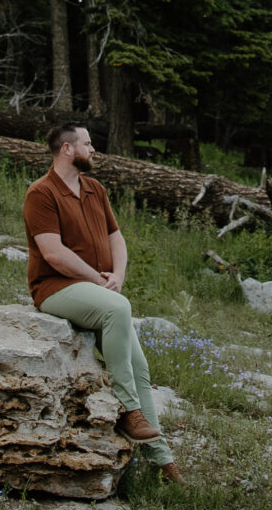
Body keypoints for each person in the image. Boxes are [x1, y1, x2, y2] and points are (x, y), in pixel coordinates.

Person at [24, 122, 177, 476]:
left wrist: (118, 275)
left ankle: (161, 460)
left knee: (139, 366)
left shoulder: (94, 189)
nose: (93, 150)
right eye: (88, 144)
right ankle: (127, 410)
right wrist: (98, 279)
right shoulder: (41, 193)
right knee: (118, 308)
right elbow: (53, 253)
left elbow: (116, 238)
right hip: (56, 289)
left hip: (97, 290)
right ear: (66, 149)